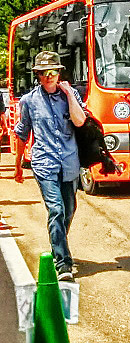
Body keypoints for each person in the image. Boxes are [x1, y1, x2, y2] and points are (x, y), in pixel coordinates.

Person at [14, 51, 86, 281]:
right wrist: (17, 166)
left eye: (53, 71)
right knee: (56, 210)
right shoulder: (29, 101)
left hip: (69, 163)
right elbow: (22, 133)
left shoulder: (70, 95)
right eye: (43, 72)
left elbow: (80, 121)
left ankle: (57, 244)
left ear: (59, 73)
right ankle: (63, 264)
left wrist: (69, 94)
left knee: (69, 210)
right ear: (37, 75)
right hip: (44, 164)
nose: (48, 76)